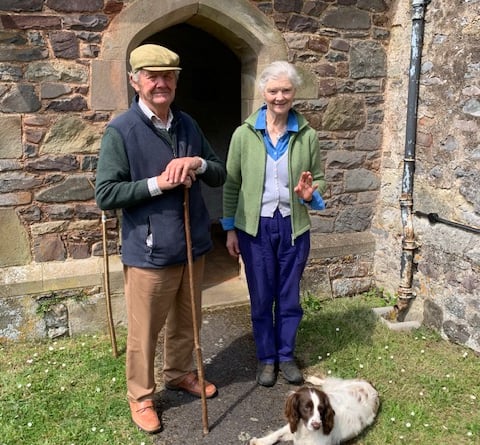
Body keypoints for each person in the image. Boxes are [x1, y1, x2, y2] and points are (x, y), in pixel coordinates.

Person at [95, 44, 226, 434]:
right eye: (152, 76)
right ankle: (141, 395)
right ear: (136, 81)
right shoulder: (122, 130)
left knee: (188, 320)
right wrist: (157, 184)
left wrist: (198, 163)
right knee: (144, 330)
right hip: (149, 250)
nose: (160, 83)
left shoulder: (188, 124)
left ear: (176, 81)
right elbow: (106, 194)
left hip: (192, 243)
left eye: (167, 76)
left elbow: (218, 172)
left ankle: (179, 373)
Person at [222, 61, 326, 388]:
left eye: (286, 90)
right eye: (273, 90)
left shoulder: (307, 135)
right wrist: (229, 228)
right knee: (261, 295)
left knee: (289, 296)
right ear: (263, 93)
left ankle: (285, 355)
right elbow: (231, 184)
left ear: (294, 93)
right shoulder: (243, 134)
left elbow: (317, 180)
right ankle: (266, 358)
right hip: (256, 230)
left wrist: (311, 195)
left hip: (294, 228)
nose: (279, 97)